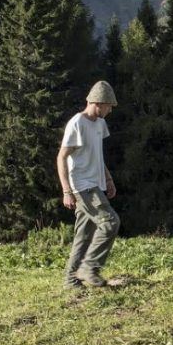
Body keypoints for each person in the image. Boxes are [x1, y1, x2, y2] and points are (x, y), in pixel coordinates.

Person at [56, 80, 121, 289]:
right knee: (110, 222)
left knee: (84, 235)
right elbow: (61, 157)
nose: (110, 110)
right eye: (109, 106)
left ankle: (70, 280)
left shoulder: (100, 124)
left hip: (95, 183)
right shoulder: (77, 123)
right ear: (98, 103)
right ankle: (89, 267)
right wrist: (66, 190)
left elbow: (97, 156)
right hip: (83, 186)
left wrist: (108, 179)